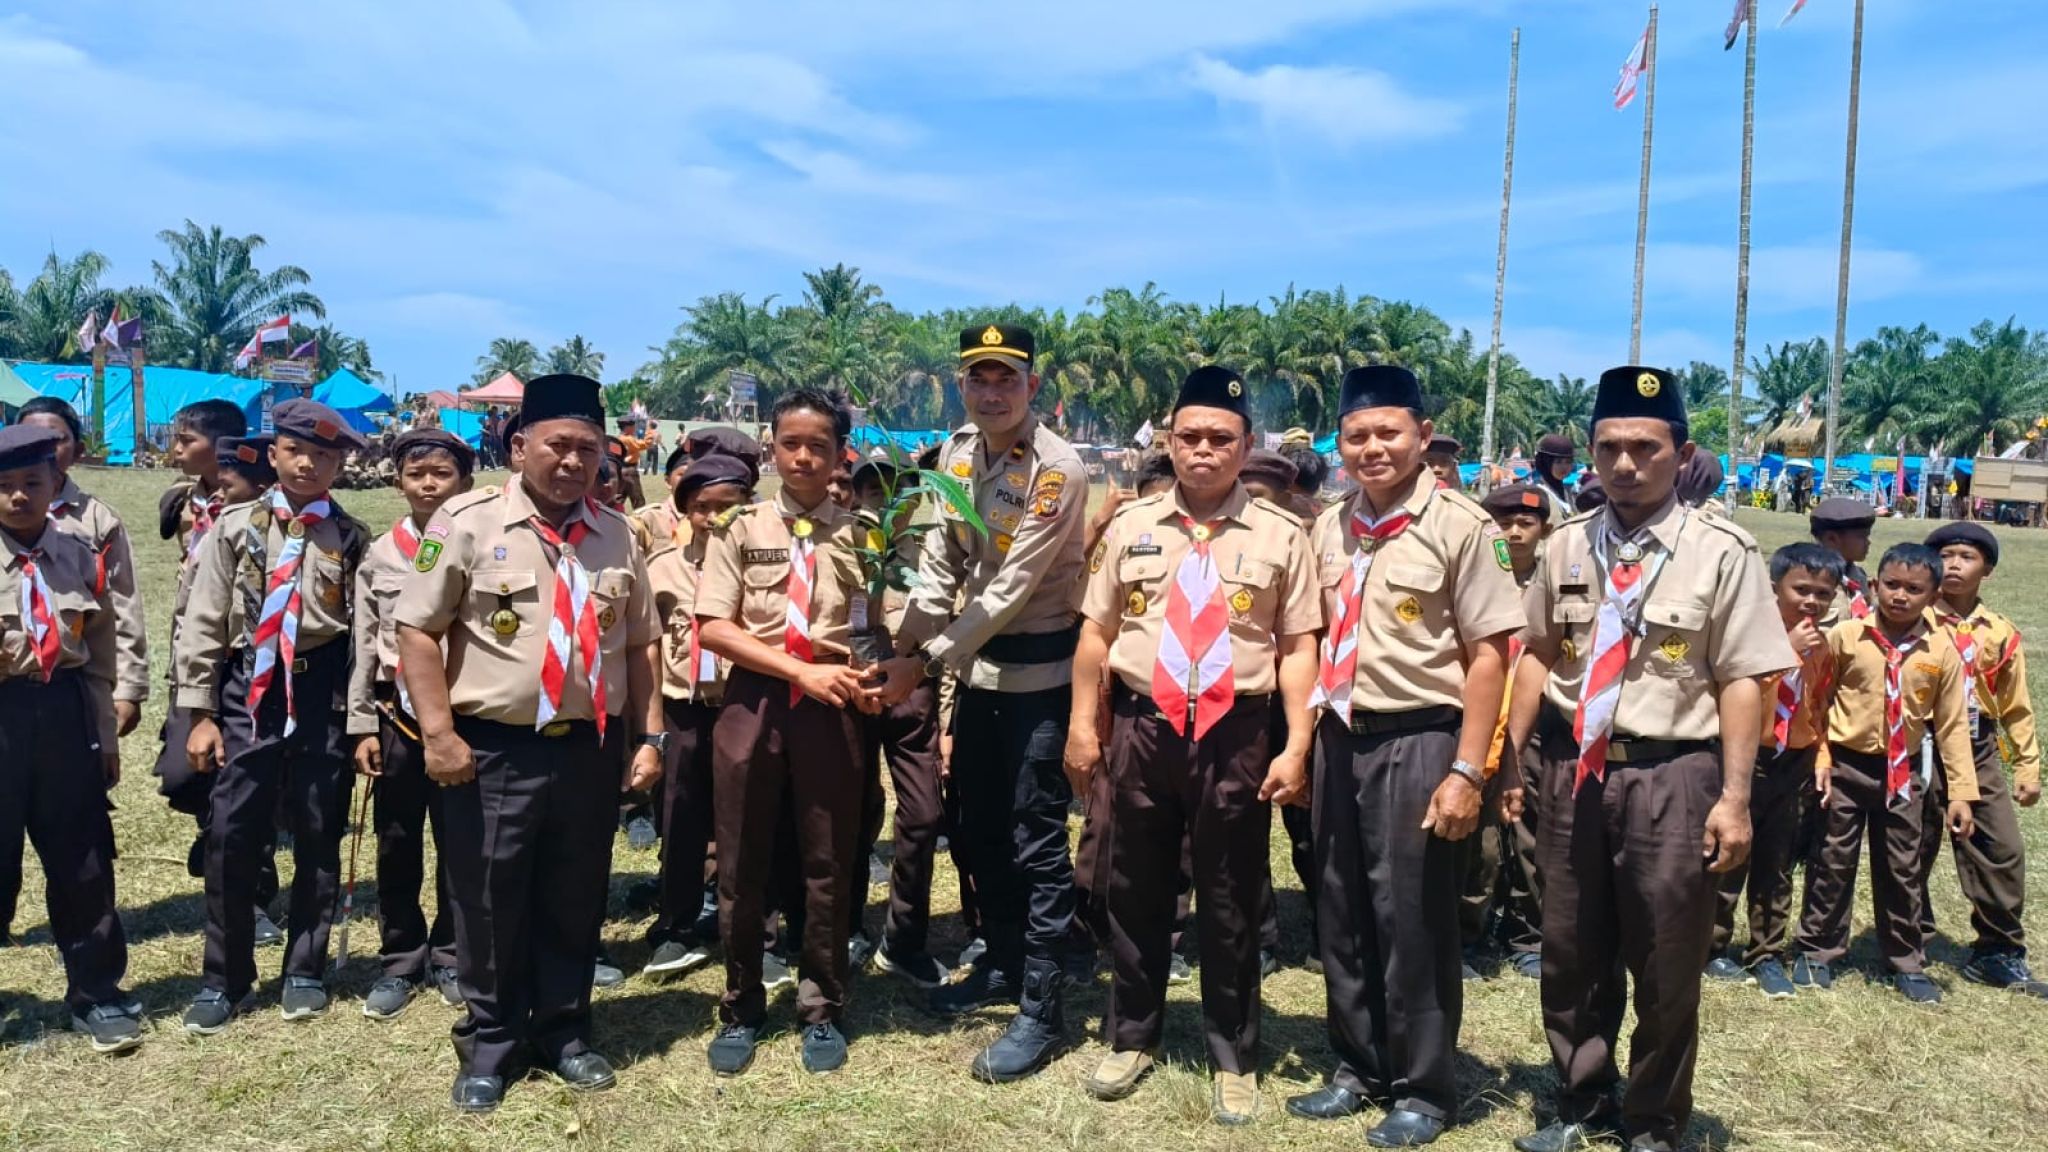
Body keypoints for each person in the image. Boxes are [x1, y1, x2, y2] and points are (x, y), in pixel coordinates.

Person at [1505, 366, 1795, 1152]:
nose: (1625, 464)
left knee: (1666, 956)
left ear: (1681, 452)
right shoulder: (1566, 544)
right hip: (1573, 769)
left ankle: (1654, 1119)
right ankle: (1583, 1097)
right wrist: (1508, 756)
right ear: (1591, 455)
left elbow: (1743, 679)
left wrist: (1735, 797)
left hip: (1674, 773)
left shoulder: (1722, 551)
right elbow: (1535, 655)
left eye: (1644, 447)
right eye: (1609, 448)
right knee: (1568, 945)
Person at [393, 373, 663, 1112]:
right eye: (558, 446)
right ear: (519, 449)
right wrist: (439, 734)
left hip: (587, 746)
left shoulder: (615, 533)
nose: (574, 463)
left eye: (589, 450)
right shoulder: (464, 522)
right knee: (487, 898)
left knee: (575, 894)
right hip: (492, 747)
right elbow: (416, 629)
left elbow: (641, 643)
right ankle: (491, 1041)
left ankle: (566, 1031)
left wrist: (650, 736)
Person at [1066, 365, 1319, 1124]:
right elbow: (1096, 633)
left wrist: (1297, 740)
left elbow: (1299, 644)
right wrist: (1085, 724)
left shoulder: (1282, 535)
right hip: (1144, 727)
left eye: (1220, 438)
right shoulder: (1130, 527)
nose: (1202, 451)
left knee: (1232, 892)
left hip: (1236, 730)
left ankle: (1233, 1052)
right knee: (1134, 884)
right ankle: (1132, 1034)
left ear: (1247, 447)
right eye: (1189, 437)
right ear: (1169, 442)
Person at [1286, 366, 1523, 1147]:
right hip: (1339, 736)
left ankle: (1424, 1087)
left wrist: (1467, 769)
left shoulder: (1462, 525)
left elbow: (1489, 654)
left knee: (1414, 917)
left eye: (1390, 433)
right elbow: (1316, 637)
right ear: (1340, 445)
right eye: (1357, 436)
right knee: (1341, 907)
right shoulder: (1331, 525)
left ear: (1423, 437)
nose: (1373, 448)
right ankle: (1357, 1066)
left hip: (1421, 736)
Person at [891, 324, 1089, 1084]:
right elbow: (943, 559)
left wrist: (926, 659)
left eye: (1007, 378)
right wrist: (906, 646)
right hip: (977, 675)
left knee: (1037, 840)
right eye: (979, 378)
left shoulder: (1057, 470)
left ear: (1031, 386)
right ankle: (1004, 965)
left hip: (1038, 674)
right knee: (977, 830)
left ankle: (1043, 1008)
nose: (993, 391)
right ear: (963, 385)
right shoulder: (958, 453)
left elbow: (1008, 590)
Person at [175, 400, 373, 1034]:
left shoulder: (349, 536)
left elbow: (364, 636)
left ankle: (305, 968)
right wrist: (199, 712)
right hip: (248, 688)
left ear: (341, 463)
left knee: (319, 829)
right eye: (295, 451)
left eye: (324, 454)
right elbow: (203, 620)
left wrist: (361, 718)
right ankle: (224, 977)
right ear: (275, 454)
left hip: (320, 692)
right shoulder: (234, 528)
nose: (308, 462)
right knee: (233, 831)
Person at [694, 388, 875, 1077]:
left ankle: (823, 1003)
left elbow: (874, 625)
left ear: (839, 455)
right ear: (770, 446)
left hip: (834, 703)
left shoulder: (862, 534)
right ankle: (741, 1003)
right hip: (757, 700)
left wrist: (880, 665)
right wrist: (795, 673)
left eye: (819, 445)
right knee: (741, 859)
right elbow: (714, 626)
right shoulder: (739, 527)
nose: (803, 457)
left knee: (829, 858)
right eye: (791, 443)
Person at [0, 423, 141, 1053]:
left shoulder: (80, 553)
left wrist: (105, 731)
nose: (18, 498)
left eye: (32, 483)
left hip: (64, 714)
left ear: (56, 483)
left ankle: (97, 994)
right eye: (3, 487)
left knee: (82, 860)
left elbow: (103, 649)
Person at [1794, 543, 1977, 1004]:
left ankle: (1906, 959)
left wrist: (1961, 793)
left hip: (1903, 773)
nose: (1900, 596)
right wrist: (1820, 758)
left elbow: (1953, 725)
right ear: (1874, 586)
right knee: (1831, 860)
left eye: (1914, 589)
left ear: (1934, 596)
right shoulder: (1846, 637)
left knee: (1903, 865)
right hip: (1845, 765)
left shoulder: (1942, 651)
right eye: (1891, 585)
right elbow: (1817, 701)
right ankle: (1818, 950)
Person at [348, 428, 477, 1019]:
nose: (428, 484)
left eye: (441, 474)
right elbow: (364, 646)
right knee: (397, 841)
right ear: (397, 481)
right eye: (415, 474)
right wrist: (362, 725)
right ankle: (401, 958)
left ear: (464, 482)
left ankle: (452, 953)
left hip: (462, 715)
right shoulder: (381, 553)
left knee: (460, 840)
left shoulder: (476, 539)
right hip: (396, 717)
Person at [1706, 543, 1840, 999]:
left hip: (1792, 762)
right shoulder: (1750, 638)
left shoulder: (1822, 648)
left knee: (1776, 861)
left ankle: (1766, 952)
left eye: (1823, 594)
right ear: (1773, 587)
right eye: (1801, 589)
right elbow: (1743, 700)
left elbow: (1817, 707)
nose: (1811, 602)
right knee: (1728, 858)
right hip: (1748, 759)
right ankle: (1712, 946)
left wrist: (1821, 757)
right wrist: (1785, 652)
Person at [1919, 522, 2045, 996]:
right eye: (1945, 555)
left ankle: (1997, 950)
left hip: (1977, 746)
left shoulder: (2000, 633)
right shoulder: (1913, 619)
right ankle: (1909, 942)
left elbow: (2015, 705)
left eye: (1966, 557)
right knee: (1913, 844)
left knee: (2002, 847)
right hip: (1920, 743)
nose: (1953, 564)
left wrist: (2028, 767)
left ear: (1986, 570)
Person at [641, 453, 754, 977]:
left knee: (746, 820)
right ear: (684, 509)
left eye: (728, 507)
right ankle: (676, 924)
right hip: (685, 707)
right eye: (702, 507)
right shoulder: (661, 567)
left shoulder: (760, 562)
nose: (714, 518)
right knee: (679, 818)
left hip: (743, 704)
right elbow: (648, 644)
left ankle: (748, 925)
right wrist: (653, 723)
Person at [847, 458, 953, 988]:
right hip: (851, 690)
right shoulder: (841, 549)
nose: (885, 500)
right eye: (872, 489)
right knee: (851, 812)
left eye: (898, 490)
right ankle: (843, 926)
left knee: (923, 813)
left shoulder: (934, 556)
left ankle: (905, 936)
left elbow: (950, 632)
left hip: (915, 690)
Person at [1464, 483, 1555, 981]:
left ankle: (1527, 934)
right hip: (1476, 721)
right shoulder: (1473, 572)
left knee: (1529, 835)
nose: (1514, 531)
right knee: (1476, 842)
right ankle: (1468, 932)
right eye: (1503, 522)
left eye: (1526, 522)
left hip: (1536, 726)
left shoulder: (1555, 580)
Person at [1809, 498, 1875, 625]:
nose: (1868, 542)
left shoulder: (1858, 577)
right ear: (1831, 538)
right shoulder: (1808, 580)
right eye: (1862, 536)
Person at [1531, 433, 1576, 525]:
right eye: (1558, 462)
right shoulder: (1534, 492)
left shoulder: (1568, 491)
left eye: (1568, 462)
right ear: (1545, 463)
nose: (1564, 467)